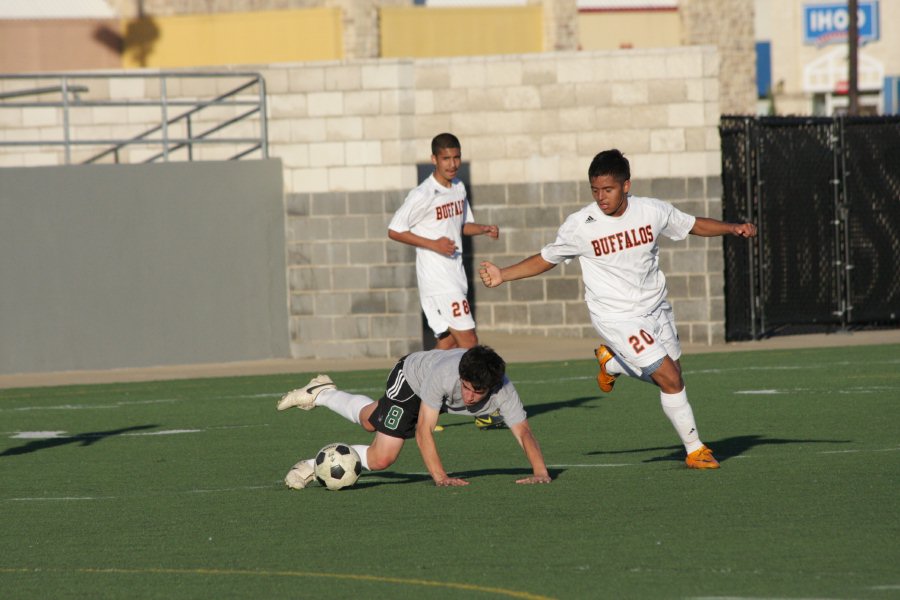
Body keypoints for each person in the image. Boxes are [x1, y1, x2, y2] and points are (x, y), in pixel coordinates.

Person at [478, 149, 758, 469]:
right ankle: (695, 449)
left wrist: (733, 228)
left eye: (607, 189)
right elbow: (546, 259)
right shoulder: (581, 225)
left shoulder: (651, 211)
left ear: (626, 185)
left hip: (656, 307)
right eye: (595, 190)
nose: (601, 197)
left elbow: (693, 224)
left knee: (673, 376)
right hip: (617, 317)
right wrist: (503, 275)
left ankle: (612, 364)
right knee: (669, 378)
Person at [276, 345, 551, 488]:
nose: (468, 397)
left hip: (434, 394)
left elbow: (523, 432)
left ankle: (321, 391)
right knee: (382, 457)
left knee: (370, 420)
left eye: (476, 392)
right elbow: (424, 430)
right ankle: (312, 465)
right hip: (411, 379)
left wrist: (540, 472)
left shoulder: (503, 389)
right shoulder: (445, 376)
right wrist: (441, 477)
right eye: (465, 387)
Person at [388, 132, 505, 430]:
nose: (452, 164)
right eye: (446, 158)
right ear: (434, 160)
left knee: (448, 345)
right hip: (438, 282)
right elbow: (395, 230)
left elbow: (460, 225)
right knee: (471, 344)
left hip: (455, 278)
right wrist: (433, 244)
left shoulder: (458, 188)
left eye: (456, 158)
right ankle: (485, 408)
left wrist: (483, 228)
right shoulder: (422, 194)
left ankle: (411, 400)